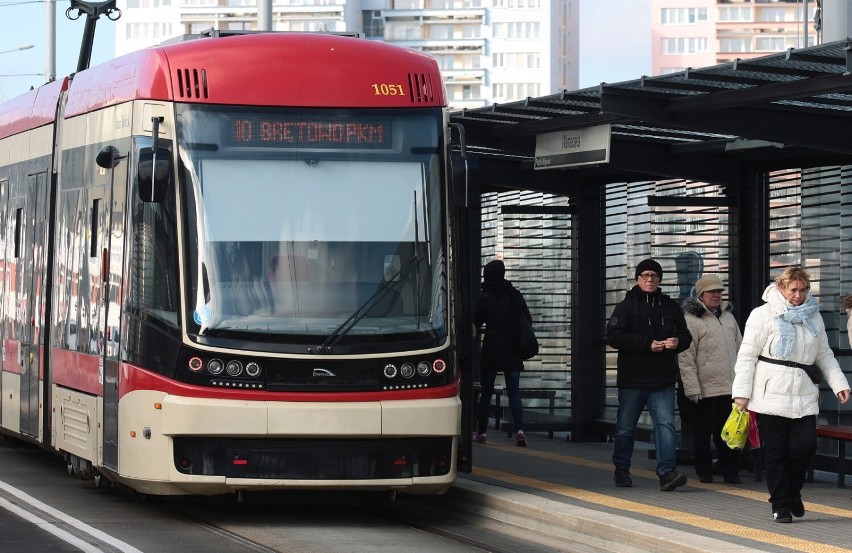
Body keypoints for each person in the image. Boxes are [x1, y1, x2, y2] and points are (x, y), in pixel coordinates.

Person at [732, 267, 851, 523]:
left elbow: (824, 355)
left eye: (803, 289)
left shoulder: (814, 317)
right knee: (777, 453)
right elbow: (747, 356)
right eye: (793, 289)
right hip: (770, 393)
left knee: (805, 448)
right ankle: (780, 503)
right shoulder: (763, 314)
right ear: (781, 288)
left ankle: (793, 491)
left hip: (804, 392)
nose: (798, 295)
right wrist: (741, 393)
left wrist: (839, 383)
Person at [606, 258, 692, 491]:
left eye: (654, 276)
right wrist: (646, 344)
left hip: (662, 380)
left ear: (660, 279)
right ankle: (621, 470)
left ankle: (667, 472)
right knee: (625, 428)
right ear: (637, 279)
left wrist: (677, 342)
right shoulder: (626, 306)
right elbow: (613, 336)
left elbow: (686, 337)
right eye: (645, 275)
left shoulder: (670, 306)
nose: (650, 279)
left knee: (665, 425)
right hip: (632, 379)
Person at [679, 274, 743, 484]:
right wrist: (692, 388)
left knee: (728, 432)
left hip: (730, 387)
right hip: (704, 388)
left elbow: (741, 349)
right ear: (701, 295)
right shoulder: (691, 320)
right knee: (703, 433)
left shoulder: (728, 317)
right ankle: (704, 472)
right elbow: (685, 357)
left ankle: (730, 471)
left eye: (719, 291)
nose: (716, 295)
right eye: (712, 292)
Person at [473, 259, 532, 447]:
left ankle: (481, 432)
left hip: (491, 350)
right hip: (513, 350)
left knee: (487, 392)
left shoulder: (484, 297)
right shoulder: (515, 295)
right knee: (514, 392)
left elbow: (476, 320)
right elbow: (528, 320)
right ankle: (520, 430)